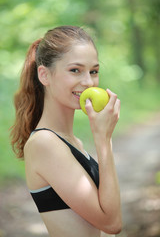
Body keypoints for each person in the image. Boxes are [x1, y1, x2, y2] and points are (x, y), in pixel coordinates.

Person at [10, 25, 122, 237]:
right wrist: (103, 140)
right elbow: (112, 222)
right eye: (75, 70)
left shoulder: (72, 142)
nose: (88, 82)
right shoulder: (44, 143)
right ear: (44, 75)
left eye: (94, 71)